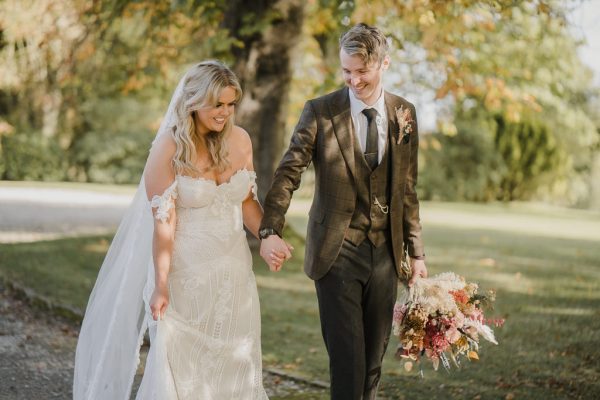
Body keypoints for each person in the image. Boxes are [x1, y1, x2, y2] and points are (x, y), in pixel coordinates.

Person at [73, 60, 289, 399]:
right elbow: (164, 223)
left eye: (231, 104)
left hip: (233, 276)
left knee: (235, 361)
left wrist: (268, 236)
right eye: (217, 104)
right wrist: (159, 285)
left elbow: (247, 202)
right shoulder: (169, 149)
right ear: (193, 101)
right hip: (183, 277)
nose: (225, 112)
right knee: (180, 367)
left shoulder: (241, 140)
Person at [258, 23, 428, 399]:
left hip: (386, 254)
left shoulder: (405, 114)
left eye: (362, 71)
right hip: (336, 253)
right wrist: (270, 229)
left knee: (371, 364)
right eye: (346, 71)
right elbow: (289, 171)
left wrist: (416, 253)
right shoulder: (320, 111)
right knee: (347, 361)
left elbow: (407, 189)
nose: (353, 80)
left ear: (384, 64)